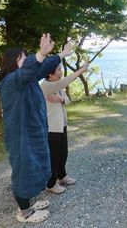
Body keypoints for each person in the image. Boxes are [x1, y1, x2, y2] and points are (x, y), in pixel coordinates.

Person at [0, 33, 73, 223]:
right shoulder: (11, 81)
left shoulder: (28, 79)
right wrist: (40, 54)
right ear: (13, 62)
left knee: (38, 165)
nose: (29, 59)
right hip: (21, 135)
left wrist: (61, 55)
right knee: (24, 169)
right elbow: (30, 69)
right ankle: (24, 212)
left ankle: (30, 202)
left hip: (35, 133)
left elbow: (43, 67)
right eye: (24, 57)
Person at [40, 53, 89, 194]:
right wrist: (81, 70)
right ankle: (51, 184)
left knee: (63, 153)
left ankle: (62, 176)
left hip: (62, 124)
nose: (61, 72)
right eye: (59, 70)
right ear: (50, 73)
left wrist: (61, 99)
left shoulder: (56, 86)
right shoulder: (46, 85)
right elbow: (65, 82)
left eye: (61, 69)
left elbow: (67, 100)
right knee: (54, 156)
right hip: (52, 126)